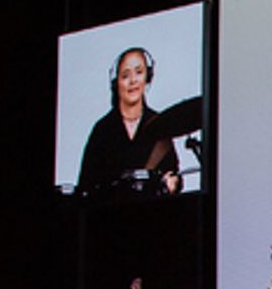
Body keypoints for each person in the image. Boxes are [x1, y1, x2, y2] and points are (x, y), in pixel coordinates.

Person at [76, 47, 190, 197]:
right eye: (125, 75)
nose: (133, 81)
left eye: (139, 72)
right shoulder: (102, 130)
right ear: (116, 83)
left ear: (147, 77)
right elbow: (85, 186)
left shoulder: (162, 124)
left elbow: (173, 173)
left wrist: (173, 183)